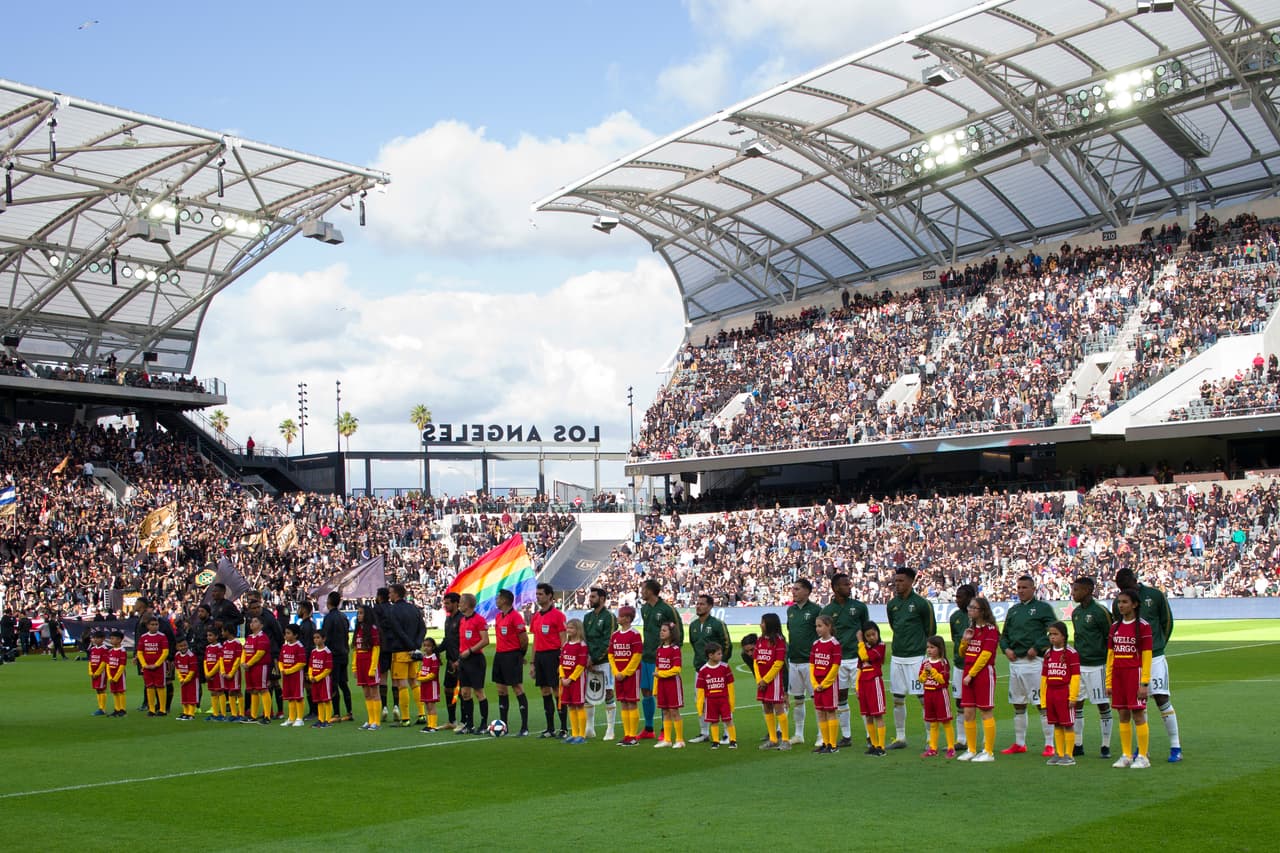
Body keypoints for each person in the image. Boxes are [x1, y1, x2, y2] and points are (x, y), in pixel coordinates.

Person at [1113, 567, 1180, 762]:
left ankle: (1176, 746)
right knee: (1137, 705)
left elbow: (1167, 622)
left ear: (1135, 581)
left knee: (1161, 698)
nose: (1125, 595)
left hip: (1155, 657)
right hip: (1132, 662)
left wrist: (1158, 645)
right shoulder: (1120, 603)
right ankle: (1143, 750)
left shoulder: (1154, 595)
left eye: (1128, 588)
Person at [999, 575, 1055, 757]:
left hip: (1034, 663)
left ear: (1033, 588)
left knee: (1042, 704)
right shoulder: (1013, 610)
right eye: (1019, 587)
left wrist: (1037, 647)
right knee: (1018, 704)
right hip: (1015, 663)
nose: (1021, 590)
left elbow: (1055, 631)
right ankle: (1019, 743)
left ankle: (1049, 744)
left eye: (1024, 587)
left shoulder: (1042, 608)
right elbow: (1004, 635)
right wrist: (1006, 649)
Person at [885, 567, 935, 749]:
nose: (897, 584)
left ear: (911, 582)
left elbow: (931, 631)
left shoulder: (922, 604)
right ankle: (900, 737)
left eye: (901, 581)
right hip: (897, 656)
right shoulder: (892, 605)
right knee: (897, 698)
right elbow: (893, 625)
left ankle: (931, 737)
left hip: (917, 658)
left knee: (923, 698)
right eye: (896, 580)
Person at [818, 573, 869, 748]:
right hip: (837, 660)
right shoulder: (826, 611)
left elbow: (867, 630)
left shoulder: (859, 607)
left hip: (856, 659)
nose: (850, 586)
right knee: (841, 698)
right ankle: (846, 736)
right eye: (845, 584)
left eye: (849, 583)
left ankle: (870, 735)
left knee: (863, 696)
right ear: (835, 588)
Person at [1107, 589, 1153, 769]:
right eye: (1119, 602)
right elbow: (1110, 656)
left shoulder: (1143, 626)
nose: (1121, 605)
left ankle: (1142, 756)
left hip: (1135, 673)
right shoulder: (1115, 627)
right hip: (1118, 674)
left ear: (1134, 604)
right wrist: (1108, 682)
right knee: (1123, 714)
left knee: (1138, 714)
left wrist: (1144, 682)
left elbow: (1147, 656)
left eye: (1125, 602)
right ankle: (1126, 754)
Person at [1070, 577, 1113, 758]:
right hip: (1080, 666)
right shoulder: (1076, 613)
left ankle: (1105, 745)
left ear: (1088, 590)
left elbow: (1109, 637)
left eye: (1077, 590)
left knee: (1102, 704)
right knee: (1077, 704)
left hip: (1098, 665)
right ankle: (1078, 743)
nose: (1073, 593)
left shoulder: (1100, 611)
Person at [958, 596, 999, 762]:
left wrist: (971, 674)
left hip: (982, 673)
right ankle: (971, 749)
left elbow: (985, 655)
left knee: (985, 711)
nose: (970, 610)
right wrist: (964, 641)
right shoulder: (971, 629)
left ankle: (988, 752)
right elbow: (963, 654)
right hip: (968, 671)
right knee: (968, 712)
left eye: (974, 607)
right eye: (969, 607)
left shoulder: (991, 630)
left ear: (982, 611)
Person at [688, 593, 731, 744]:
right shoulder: (693, 626)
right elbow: (695, 645)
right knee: (700, 700)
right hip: (700, 669)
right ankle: (704, 732)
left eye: (702, 604)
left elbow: (727, 645)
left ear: (710, 606)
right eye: (697, 603)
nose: (698, 606)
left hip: (717, 670)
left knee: (722, 699)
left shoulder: (718, 624)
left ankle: (727, 733)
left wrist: (720, 664)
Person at [530, 582, 568, 738]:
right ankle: (550, 728)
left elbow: (564, 640)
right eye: (537, 594)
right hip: (540, 656)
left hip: (554, 655)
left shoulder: (558, 616)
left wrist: (563, 661)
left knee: (557, 691)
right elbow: (535, 640)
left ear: (550, 596)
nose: (538, 597)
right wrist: (532, 663)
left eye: (541, 594)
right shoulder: (536, 616)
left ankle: (564, 728)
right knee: (544, 691)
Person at [786, 578, 821, 746]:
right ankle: (798, 734)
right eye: (793, 589)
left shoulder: (816, 610)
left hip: (810, 662)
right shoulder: (790, 611)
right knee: (798, 700)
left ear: (807, 591)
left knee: (817, 700)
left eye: (797, 589)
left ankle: (822, 735)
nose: (793, 591)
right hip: (794, 661)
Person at [491, 588, 530, 736]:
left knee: (517, 688)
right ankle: (504, 726)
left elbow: (524, 639)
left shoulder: (516, 617)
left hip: (512, 655)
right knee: (501, 689)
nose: (496, 600)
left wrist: (520, 655)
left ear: (505, 600)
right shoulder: (498, 617)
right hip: (499, 655)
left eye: (498, 598)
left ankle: (524, 727)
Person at [1040, 621, 1081, 766]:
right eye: (1050, 634)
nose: (1052, 637)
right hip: (1051, 692)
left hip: (1064, 692)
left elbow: (1076, 676)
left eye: (1055, 634)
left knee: (1067, 724)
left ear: (1063, 636)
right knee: (1056, 724)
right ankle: (1059, 753)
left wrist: (1073, 696)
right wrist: (1043, 699)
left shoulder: (1071, 653)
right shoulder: (1048, 653)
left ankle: (1069, 755)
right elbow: (1044, 678)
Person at [387, 583, 427, 727]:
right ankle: (422, 714)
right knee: (414, 682)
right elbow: (423, 628)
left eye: (391, 593)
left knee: (401, 684)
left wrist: (410, 645)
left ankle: (405, 718)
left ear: (397, 594)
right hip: (414, 652)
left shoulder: (393, 611)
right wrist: (416, 645)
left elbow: (398, 631)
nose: (389, 595)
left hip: (400, 651)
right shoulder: (413, 608)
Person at [581, 586, 617, 740]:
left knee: (608, 692)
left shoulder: (609, 616)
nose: (590, 599)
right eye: (590, 597)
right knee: (588, 693)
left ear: (602, 599)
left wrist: (594, 658)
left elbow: (608, 641)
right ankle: (589, 727)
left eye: (593, 597)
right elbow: (584, 639)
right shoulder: (587, 617)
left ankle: (610, 729)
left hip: (604, 661)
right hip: (588, 661)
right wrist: (585, 657)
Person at [609, 605, 644, 746]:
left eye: (621, 616)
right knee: (623, 702)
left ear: (628, 619)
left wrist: (625, 672)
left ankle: (633, 735)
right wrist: (616, 671)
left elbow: (636, 656)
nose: (618, 618)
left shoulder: (635, 635)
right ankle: (626, 734)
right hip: (619, 674)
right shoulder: (615, 635)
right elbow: (611, 654)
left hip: (631, 675)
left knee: (631, 702)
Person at [455, 593, 489, 735]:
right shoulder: (462, 620)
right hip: (464, 660)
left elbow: (485, 640)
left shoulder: (479, 620)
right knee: (465, 693)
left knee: (478, 692)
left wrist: (470, 650)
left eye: (461, 602)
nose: (459, 604)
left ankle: (483, 724)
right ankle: (469, 724)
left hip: (475, 659)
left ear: (468, 604)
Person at [755, 612, 790, 752]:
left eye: (763, 622)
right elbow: (755, 661)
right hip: (762, 681)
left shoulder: (779, 640)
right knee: (766, 707)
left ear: (769, 624)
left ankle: (786, 740)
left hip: (774, 680)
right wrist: (759, 679)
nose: (760, 624)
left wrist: (766, 679)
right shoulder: (760, 640)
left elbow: (779, 662)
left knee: (778, 708)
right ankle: (773, 739)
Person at [948, 583, 976, 751]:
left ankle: (978, 741)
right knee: (960, 702)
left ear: (970, 598)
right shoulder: (955, 617)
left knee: (980, 704)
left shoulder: (980, 616)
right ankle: (961, 739)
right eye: (956, 597)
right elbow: (955, 639)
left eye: (960, 597)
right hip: (960, 665)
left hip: (977, 667)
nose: (957, 600)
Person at [919, 636, 956, 758]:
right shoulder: (925, 662)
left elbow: (943, 680)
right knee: (933, 723)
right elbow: (921, 679)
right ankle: (933, 748)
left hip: (940, 694)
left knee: (946, 721)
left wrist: (933, 671)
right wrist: (925, 671)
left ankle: (951, 747)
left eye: (932, 647)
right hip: (928, 694)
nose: (929, 650)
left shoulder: (943, 662)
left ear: (939, 649)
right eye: (928, 647)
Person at [809, 614, 841, 754]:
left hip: (829, 684)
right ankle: (825, 742)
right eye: (816, 626)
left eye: (820, 626)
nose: (817, 629)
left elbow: (835, 666)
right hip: (818, 685)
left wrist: (826, 683)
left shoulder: (835, 644)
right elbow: (812, 665)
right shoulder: (815, 644)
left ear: (829, 626)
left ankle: (833, 745)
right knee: (820, 713)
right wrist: (815, 683)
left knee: (830, 712)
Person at [695, 642, 737, 750]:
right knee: (714, 721)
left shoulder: (725, 667)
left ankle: (732, 740)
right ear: (710, 655)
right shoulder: (703, 670)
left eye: (721, 653)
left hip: (723, 699)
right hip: (710, 701)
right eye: (718, 654)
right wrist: (700, 706)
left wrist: (731, 701)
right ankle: (715, 741)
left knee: (728, 720)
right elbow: (700, 690)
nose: (721, 655)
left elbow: (730, 686)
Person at [653, 622, 685, 749]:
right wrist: (655, 687)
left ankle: (680, 740)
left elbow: (677, 669)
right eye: (661, 630)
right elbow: (657, 668)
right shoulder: (659, 649)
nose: (661, 632)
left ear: (672, 634)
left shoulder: (675, 650)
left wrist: (662, 674)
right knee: (665, 711)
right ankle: (667, 739)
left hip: (672, 684)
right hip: (662, 684)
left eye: (664, 630)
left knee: (674, 711)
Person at [857, 622, 887, 756]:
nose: (871, 637)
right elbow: (860, 667)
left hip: (874, 682)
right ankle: (874, 745)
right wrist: (857, 687)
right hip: (863, 683)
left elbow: (865, 657)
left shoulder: (881, 646)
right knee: (868, 715)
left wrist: (860, 642)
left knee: (877, 714)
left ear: (878, 633)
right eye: (868, 635)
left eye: (873, 634)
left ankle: (881, 746)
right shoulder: (864, 646)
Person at [322, 591, 353, 722]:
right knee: (343, 683)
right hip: (344, 653)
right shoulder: (343, 616)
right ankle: (349, 712)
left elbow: (326, 637)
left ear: (328, 601)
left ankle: (336, 713)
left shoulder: (329, 618)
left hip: (333, 655)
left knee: (333, 684)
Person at [559, 618, 589, 744]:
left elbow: (581, 665)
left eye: (571, 628)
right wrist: (562, 677)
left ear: (578, 630)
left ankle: (582, 735)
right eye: (568, 627)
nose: (568, 630)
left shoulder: (582, 645)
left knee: (579, 705)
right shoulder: (565, 644)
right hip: (565, 680)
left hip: (577, 680)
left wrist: (570, 679)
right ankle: (574, 733)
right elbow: (561, 663)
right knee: (570, 706)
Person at [353, 605, 382, 731]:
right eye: (358, 613)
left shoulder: (373, 629)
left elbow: (376, 649)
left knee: (374, 692)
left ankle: (377, 721)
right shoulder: (358, 629)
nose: (359, 615)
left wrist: (373, 667)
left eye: (361, 613)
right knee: (366, 693)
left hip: (370, 663)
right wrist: (354, 667)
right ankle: (370, 720)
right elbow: (355, 650)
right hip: (360, 664)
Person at [136, 615, 170, 717]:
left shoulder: (162, 637)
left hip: (159, 667)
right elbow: (140, 652)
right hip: (147, 667)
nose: (155, 626)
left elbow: (165, 652)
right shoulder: (143, 637)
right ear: (147, 626)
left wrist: (157, 664)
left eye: (156, 624)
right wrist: (144, 664)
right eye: (152, 624)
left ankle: (162, 709)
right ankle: (151, 709)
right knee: (149, 687)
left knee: (160, 686)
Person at [242, 615, 274, 725]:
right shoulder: (249, 637)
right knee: (253, 690)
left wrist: (248, 663)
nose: (252, 623)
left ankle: (267, 716)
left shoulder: (263, 638)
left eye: (255, 621)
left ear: (261, 625)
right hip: (249, 667)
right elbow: (245, 651)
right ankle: (253, 715)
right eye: (251, 621)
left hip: (260, 666)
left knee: (263, 689)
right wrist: (243, 662)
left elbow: (260, 654)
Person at [440, 592, 462, 730]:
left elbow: (465, 642)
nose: (445, 605)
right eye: (444, 603)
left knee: (462, 692)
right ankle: (452, 720)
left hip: (461, 661)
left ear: (455, 603)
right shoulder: (448, 620)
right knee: (448, 690)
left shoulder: (462, 619)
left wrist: (460, 659)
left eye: (447, 603)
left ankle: (465, 721)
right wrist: (434, 651)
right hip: (450, 661)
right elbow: (447, 640)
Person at [279, 623, 308, 727]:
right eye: (285, 633)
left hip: (296, 676)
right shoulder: (284, 646)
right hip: (286, 676)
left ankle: (300, 718)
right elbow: (280, 660)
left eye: (288, 633)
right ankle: (291, 718)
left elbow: (302, 663)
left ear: (295, 635)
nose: (286, 635)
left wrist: (289, 670)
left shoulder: (299, 646)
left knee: (298, 697)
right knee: (290, 697)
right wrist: (282, 669)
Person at [293, 600, 318, 720]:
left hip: (307, 659)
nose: (298, 610)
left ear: (304, 609)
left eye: (299, 608)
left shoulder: (307, 625)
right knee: (308, 685)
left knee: (309, 686)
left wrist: (306, 662)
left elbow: (308, 645)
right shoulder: (307, 624)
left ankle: (314, 711)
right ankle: (314, 710)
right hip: (308, 658)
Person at [309, 630, 334, 728]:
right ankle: (320, 719)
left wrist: (318, 677)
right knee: (318, 700)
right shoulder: (313, 651)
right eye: (314, 638)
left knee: (326, 700)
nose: (316, 640)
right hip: (315, 680)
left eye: (318, 637)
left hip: (324, 680)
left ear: (324, 639)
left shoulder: (327, 652)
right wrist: (311, 676)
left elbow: (328, 669)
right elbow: (311, 665)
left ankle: (327, 720)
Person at [416, 637, 441, 733]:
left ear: (433, 647)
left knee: (431, 705)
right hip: (425, 685)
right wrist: (419, 674)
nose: (426, 648)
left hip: (432, 685)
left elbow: (433, 674)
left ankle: (433, 726)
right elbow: (424, 670)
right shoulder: (425, 657)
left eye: (428, 646)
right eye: (424, 646)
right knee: (427, 704)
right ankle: (429, 725)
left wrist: (422, 678)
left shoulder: (434, 658)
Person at [220, 622, 244, 722]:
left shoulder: (237, 643)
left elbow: (238, 659)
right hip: (226, 673)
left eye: (223, 631)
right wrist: (223, 671)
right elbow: (221, 658)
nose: (221, 633)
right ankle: (234, 714)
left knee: (237, 691)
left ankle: (241, 714)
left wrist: (232, 672)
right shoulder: (225, 644)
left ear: (228, 632)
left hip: (234, 673)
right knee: (230, 691)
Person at [174, 637, 199, 721]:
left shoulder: (191, 656)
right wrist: (181, 679)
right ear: (177, 647)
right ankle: (185, 712)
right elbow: (177, 668)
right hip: (183, 680)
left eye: (185, 645)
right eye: (181, 646)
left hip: (192, 680)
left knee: (191, 697)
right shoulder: (177, 655)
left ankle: (191, 713)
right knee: (184, 697)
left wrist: (186, 679)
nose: (183, 647)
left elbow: (193, 670)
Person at [203, 627, 226, 722]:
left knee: (220, 692)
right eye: (207, 635)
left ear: (217, 636)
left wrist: (211, 673)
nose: (208, 637)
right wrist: (206, 673)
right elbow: (205, 661)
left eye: (211, 635)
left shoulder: (220, 647)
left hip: (217, 674)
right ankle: (215, 713)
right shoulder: (208, 647)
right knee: (213, 692)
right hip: (209, 674)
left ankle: (223, 714)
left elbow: (219, 662)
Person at [106, 629, 128, 716]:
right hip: (111, 675)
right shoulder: (110, 651)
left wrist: (116, 677)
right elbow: (108, 664)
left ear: (119, 640)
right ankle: (117, 709)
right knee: (114, 692)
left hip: (119, 675)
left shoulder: (122, 651)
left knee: (120, 691)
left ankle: (122, 709)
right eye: (111, 638)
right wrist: (110, 677)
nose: (111, 640)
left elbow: (122, 665)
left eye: (113, 638)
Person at [87, 629, 109, 716]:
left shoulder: (104, 649)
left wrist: (97, 673)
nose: (95, 640)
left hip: (101, 673)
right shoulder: (93, 649)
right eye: (94, 638)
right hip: (94, 673)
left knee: (101, 689)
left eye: (98, 638)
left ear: (103, 639)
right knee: (97, 690)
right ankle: (100, 707)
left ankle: (102, 709)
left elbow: (104, 662)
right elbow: (90, 661)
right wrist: (91, 672)